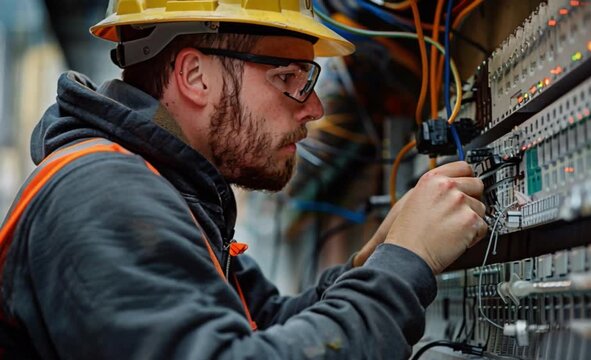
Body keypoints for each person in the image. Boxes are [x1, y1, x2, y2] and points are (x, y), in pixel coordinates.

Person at [0, 1, 487, 358]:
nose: (313, 108)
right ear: (195, 76)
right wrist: (405, 264)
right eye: (289, 78)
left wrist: (374, 261)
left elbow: (264, 324)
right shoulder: (103, 195)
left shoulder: (172, 193)